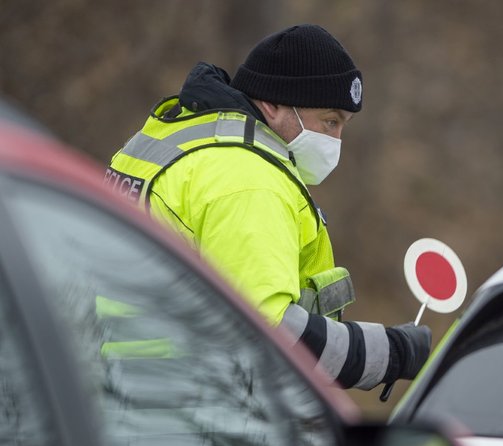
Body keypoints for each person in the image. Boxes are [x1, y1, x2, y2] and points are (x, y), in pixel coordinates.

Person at [105, 24, 430, 391]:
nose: (336, 140)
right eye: (329, 121)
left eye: (343, 125)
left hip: (116, 389)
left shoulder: (174, 138)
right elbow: (271, 336)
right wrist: (392, 352)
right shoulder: (250, 181)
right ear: (274, 104)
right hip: (182, 407)